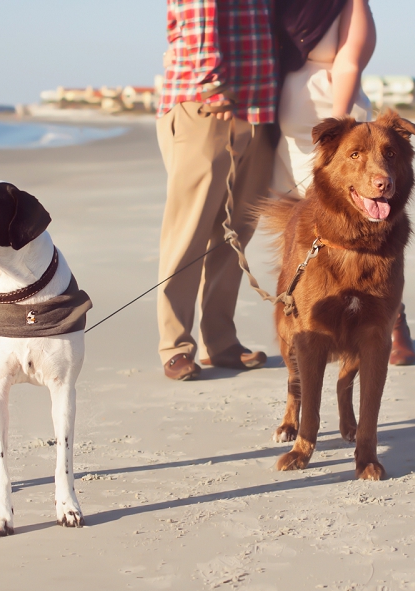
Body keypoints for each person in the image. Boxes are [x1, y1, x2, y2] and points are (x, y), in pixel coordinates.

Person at [272, 0, 415, 365]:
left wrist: (336, 138)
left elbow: (350, 60)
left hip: (337, 136)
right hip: (283, 136)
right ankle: (311, 321)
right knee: (306, 242)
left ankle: (390, 322)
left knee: (366, 234)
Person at [156, 0, 279, 380]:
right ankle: (175, 346)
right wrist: (212, 84)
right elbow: (197, 15)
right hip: (207, 106)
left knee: (236, 232)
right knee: (189, 230)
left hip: (259, 107)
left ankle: (221, 342)